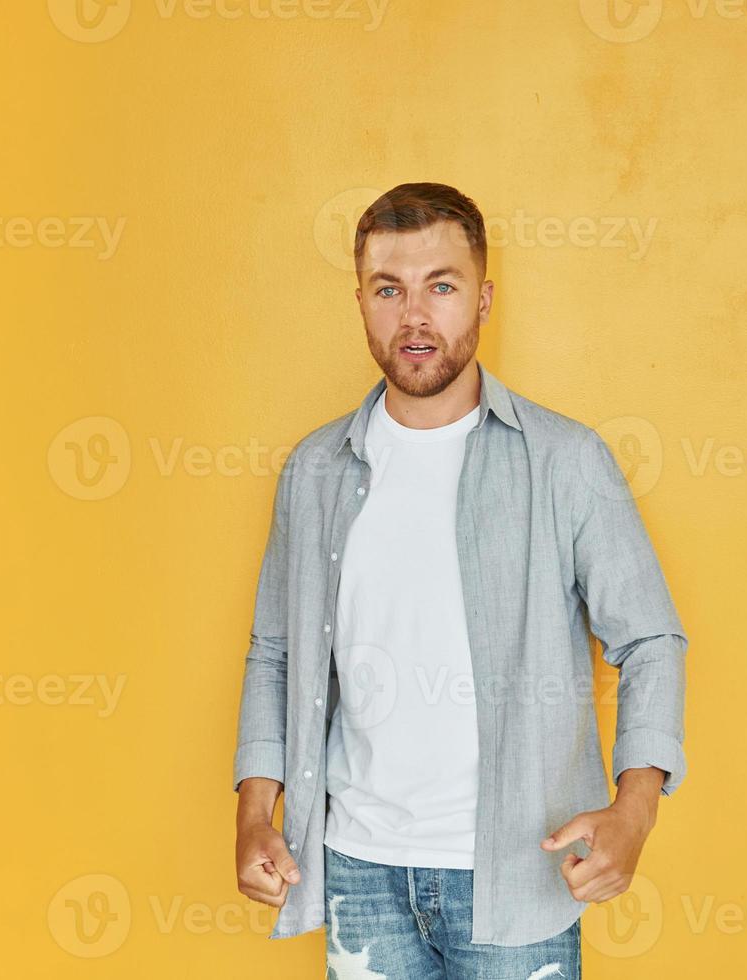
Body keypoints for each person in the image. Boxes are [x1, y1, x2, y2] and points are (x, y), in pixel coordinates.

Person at [232, 181, 689, 979]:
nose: (415, 316)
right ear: (361, 301)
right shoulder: (314, 472)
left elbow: (651, 639)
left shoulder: (564, 462)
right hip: (355, 873)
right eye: (389, 289)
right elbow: (275, 652)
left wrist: (635, 811)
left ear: (482, 299)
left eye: (440, 286)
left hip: (520, 872)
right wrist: (252, 813)